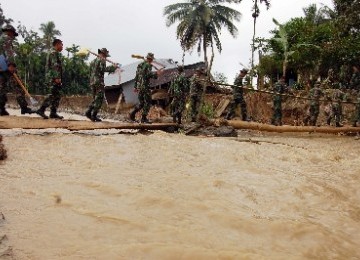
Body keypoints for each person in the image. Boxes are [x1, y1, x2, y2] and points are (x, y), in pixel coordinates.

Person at [85, 48, 117, 122]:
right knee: (99, 99)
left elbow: (90, 71)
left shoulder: (93, 61)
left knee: (95, 98)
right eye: (106, 55)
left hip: (92, 81)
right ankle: (93, 114)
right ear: (104, 54)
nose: (106, 57)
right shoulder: (102, 60)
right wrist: (113, 67)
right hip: (99, 82)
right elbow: (103, 69)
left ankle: (89, 112)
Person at [129, 52, 162, 123]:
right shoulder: (148, 65)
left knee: (142, 103)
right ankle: (143, 118)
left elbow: (137, 76)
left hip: (140, 86)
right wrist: (156, 74)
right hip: (145, 87)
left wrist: (135, 86)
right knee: (148, 102)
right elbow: (147, 75)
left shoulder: (140, 65)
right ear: (151, 59)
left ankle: (132, 114)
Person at [37, 38, 64, 119]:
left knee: (57, 95)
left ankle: (53, 113)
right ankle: (41, 110)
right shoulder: (53, 53)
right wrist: (56, 78)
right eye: (61, 45)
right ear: (57, 44)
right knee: (52, 95)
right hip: (52, 78)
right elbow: (55, 66)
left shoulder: (56, 54)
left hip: (56, 78)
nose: (62, 46)